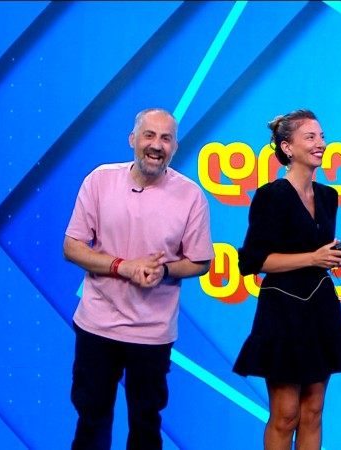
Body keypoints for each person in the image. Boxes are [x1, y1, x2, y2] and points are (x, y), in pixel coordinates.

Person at [63, 107, 214, 450]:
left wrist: (164, 271)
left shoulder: (191, 196)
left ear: (175, 147)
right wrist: (124, 267)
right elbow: (72, 247)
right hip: (97, 326)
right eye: (149, 135)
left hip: (152, 332)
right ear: (133, 140)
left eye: (166, 138)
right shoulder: (100, 180)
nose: (156, 145)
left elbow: (200, 261)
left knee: (146, 427)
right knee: (91, 422)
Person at [232, 109, 341, 450]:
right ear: (287, 147)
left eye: (322, 136)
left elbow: (314, 246)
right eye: (310, 137)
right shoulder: (272, 196)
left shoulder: (328, 196)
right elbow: (252, 261)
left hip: (321, 309)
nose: (320, 143)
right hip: (282, 310)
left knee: (313, 411)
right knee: (286, 414)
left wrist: (335, 254)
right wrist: (313, 258)